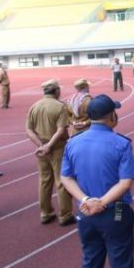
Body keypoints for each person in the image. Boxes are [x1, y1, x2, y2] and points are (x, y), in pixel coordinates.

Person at [61, 94, 134, 268]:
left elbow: (65, 177)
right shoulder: (121, 144)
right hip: (117, 209)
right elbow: (125, 182)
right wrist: (102, 202)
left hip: (86, 212)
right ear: (112, 116)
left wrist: (86, 200)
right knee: (121, 265)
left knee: (91, 262)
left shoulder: (73, 143)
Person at [25, 79, 75, 226]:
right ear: (57, 91)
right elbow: (61, 130)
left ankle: (45, 213)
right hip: (57, 148)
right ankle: (65, 214)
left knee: (44, 181)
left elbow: (28, 130)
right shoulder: (60, 107)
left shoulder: (34, 107)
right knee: (62, 180)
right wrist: (49, 146)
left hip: (42, 149)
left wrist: (41, 145)